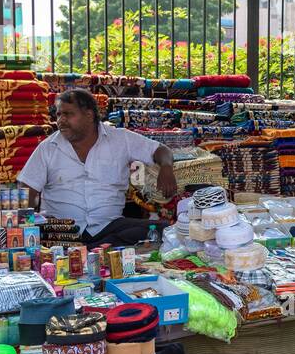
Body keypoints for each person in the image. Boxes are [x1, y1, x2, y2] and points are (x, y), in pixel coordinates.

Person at [17, 88, 178, 246]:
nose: (61, 120)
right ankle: (98, 250)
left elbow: (161, 150)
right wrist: (28, 226)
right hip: (61, 231)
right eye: (58, 114)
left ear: (89, 115)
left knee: (166, 231)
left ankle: (98, 249)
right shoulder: (48, 147)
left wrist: (166, 168)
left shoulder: (121, 139)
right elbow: (27, 188)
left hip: (108, 227)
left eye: (68, 114)